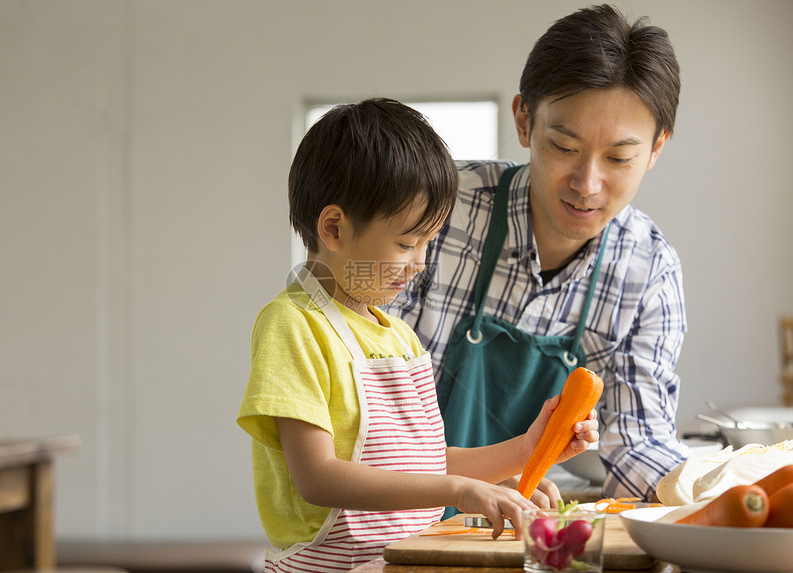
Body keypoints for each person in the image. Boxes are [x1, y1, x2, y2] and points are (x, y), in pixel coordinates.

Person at [237, 98, 599, 572]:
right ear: (334, 228)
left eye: (428, 243)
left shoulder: (400, 339)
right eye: (408, 243)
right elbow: (318, 478)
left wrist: (522, 455)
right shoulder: (293, 325)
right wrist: (459, 492)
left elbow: (428, 462)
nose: (420, 263)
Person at [388, 4, 691, 502]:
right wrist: (478, 476)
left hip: (524, 528)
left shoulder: (649, 273)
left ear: (656, 148)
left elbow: (638, 443)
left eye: (618, 157)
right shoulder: (431, 212)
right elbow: (359, 406)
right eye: (564, 146)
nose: (587, 184)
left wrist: (709, 494)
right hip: (390, 520)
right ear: (524, 120)